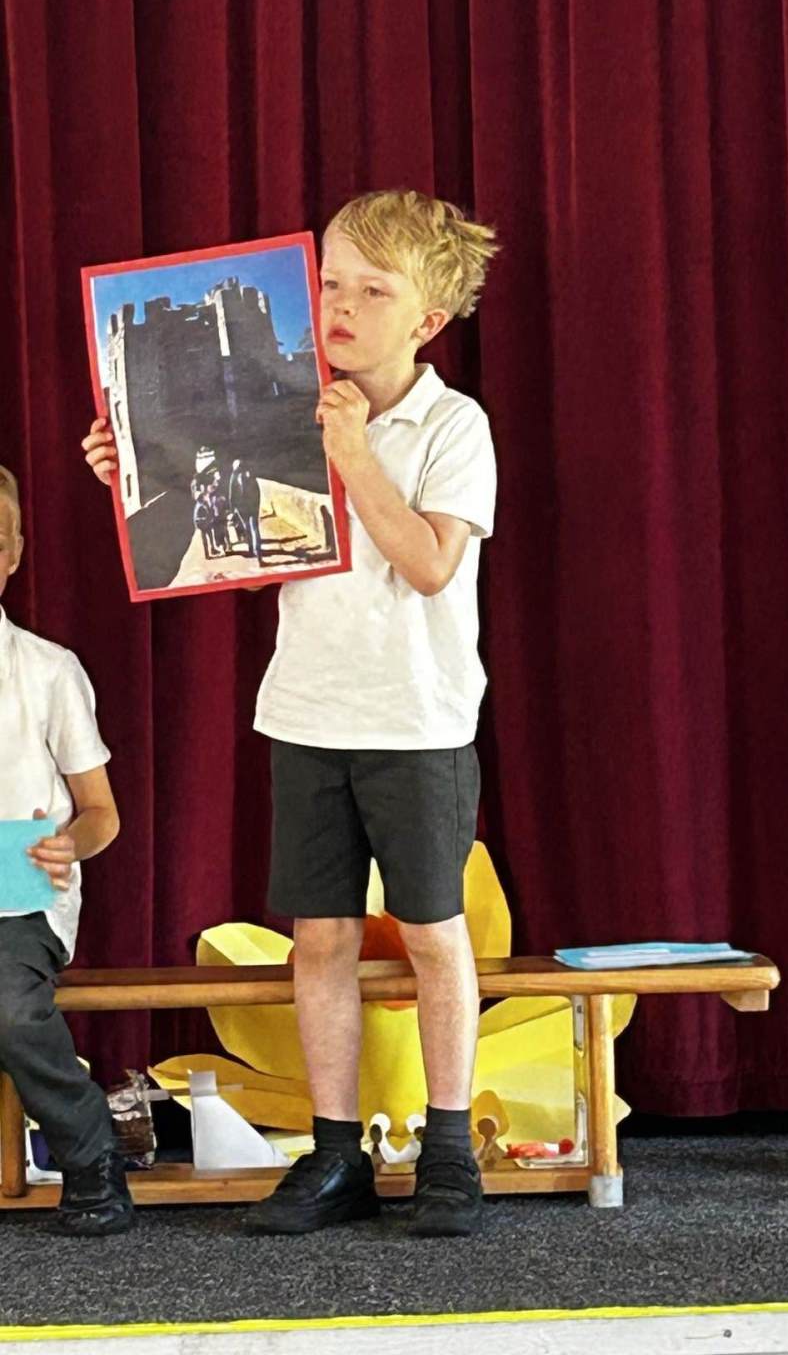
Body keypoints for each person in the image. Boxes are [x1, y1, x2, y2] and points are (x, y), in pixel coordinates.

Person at [82, 188, 499, 1238]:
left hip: (415, 724)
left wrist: (354, 455)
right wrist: (135, 461)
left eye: (372, 291)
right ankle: (335, 1151)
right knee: (318, 939)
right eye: (331, 284)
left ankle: (449, 1151)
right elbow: (230, 530)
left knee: (432, 933)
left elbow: (431, 563)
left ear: (426, 319)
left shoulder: (452, 424)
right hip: (308, 716)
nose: (341, 306)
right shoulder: (286, 401)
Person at [0, 465, 131, 1236]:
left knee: (10, 1005)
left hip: (19, 895)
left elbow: (101, 814)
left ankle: (91, 1153)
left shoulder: (48, 671)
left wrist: (66, 845)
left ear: (13, 554)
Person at [228, 459, 262, 560]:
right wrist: (257, 505)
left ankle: (251, 549)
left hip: (242, 507)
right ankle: (258, 552)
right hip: (253, 506)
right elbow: (257, 492)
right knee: (255, 528)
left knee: (247, 528)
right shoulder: (250, 476)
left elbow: (231, 495)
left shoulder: (233, 477)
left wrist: (232, 509)